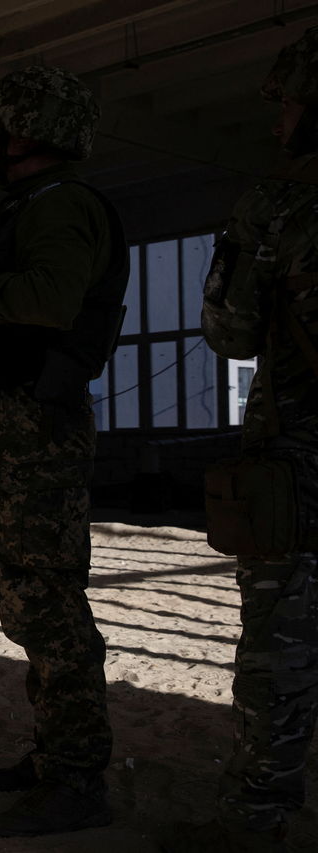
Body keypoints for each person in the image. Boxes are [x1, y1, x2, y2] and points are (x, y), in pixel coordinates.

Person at [0, 66, 129, 836]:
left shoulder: (65, 206)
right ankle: (55, 753)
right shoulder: (27, 205)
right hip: (14, 411)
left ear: (29, 133)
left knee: (49, 601)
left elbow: (48, 300)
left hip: (42, 416)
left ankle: (77, 777)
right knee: (25, 597)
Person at [163, 28, 318, 853]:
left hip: (300, 467)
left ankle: (255, 821)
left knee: (279, 656)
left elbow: (230, 331)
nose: (278, 117)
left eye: (288, 101)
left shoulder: (282, 205)